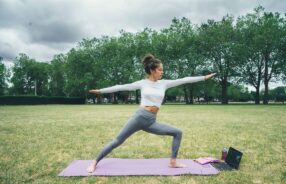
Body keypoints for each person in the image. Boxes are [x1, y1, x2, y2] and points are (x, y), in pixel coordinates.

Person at [87, 54, 216, 173]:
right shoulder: (142, 83)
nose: (162, 72)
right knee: (117, 141)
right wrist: (101, 91)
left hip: (151, 121)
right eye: (160, 70)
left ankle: (173, 162)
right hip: (139, 117)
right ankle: (94, 162)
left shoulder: (164, 84)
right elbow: (121, 86)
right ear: (153, 70)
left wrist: (204, 78)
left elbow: (185, 80)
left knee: (178, 132)